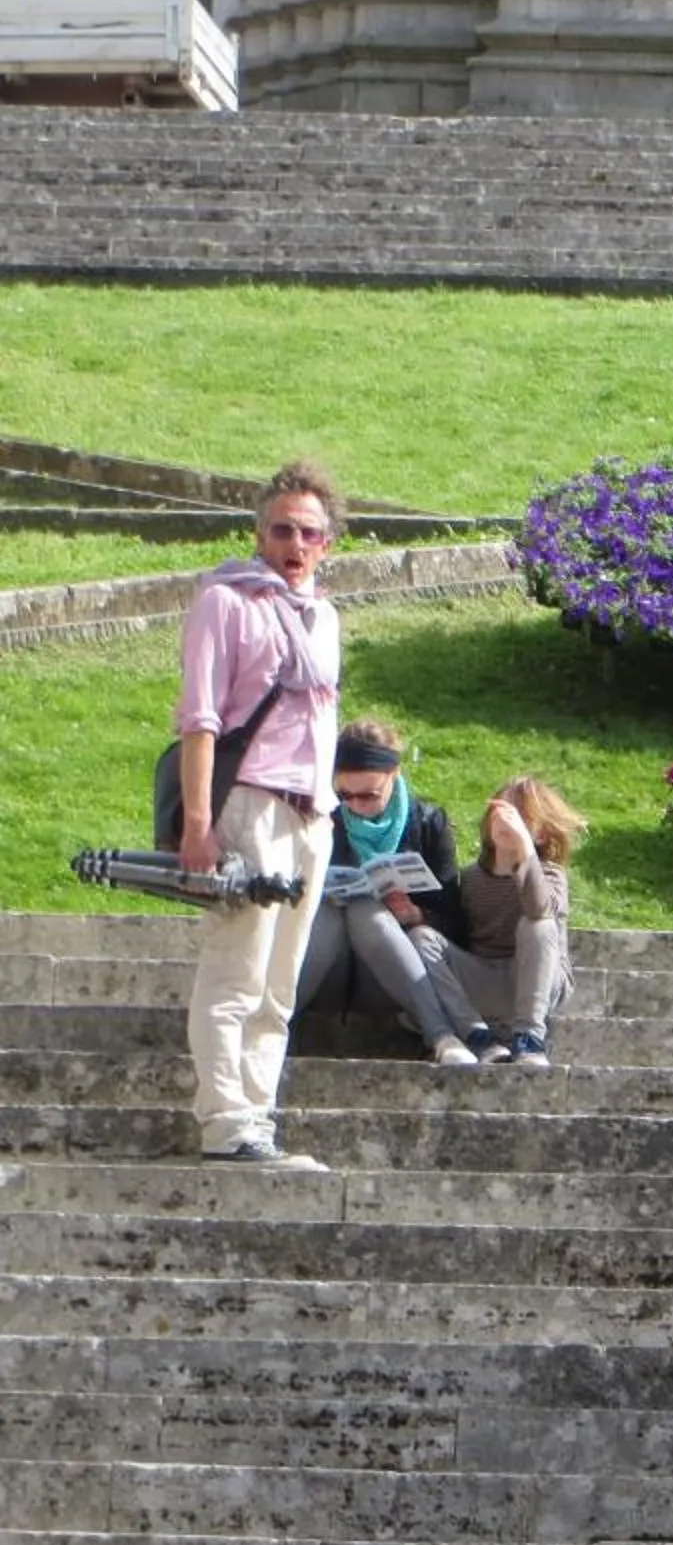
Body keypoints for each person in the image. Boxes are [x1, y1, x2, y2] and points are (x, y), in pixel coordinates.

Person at [177, 459, 345, 1168]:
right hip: (250, 802)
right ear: (259, 532)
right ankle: (225, 1121)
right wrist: (196, 822)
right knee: (236, 973)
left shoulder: (326, 615)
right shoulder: (226, 601)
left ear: (328, 543)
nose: (295, 544)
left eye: (309, 532)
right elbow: (200, 719)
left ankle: (258, 1119)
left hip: (313, 813)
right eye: (282, 530)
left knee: (280, 984)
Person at [295, 719, 479, 1065]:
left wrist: (415, 915)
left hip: (392, 975)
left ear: (394, 773)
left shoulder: (427, 823)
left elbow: (457, 924)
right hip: (324, 967)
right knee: (338, 911)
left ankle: (441, 1034)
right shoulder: (322, 818)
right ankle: (272, 1026)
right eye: (344, 794)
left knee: (368, 912)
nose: (355, 805)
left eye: (368, 795)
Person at [414, 776, 580, 1070]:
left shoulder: (550, 874)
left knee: (538, 925)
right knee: (421, 937)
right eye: (500, 811)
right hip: (484, 978)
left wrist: (525, 853)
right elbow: (457, 933)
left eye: (520, 816)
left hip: (537, 981)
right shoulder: (472, 878)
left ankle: (529, 1038)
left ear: (540, 834)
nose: (507, 821)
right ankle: (476, 1034)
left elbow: (539, 908)